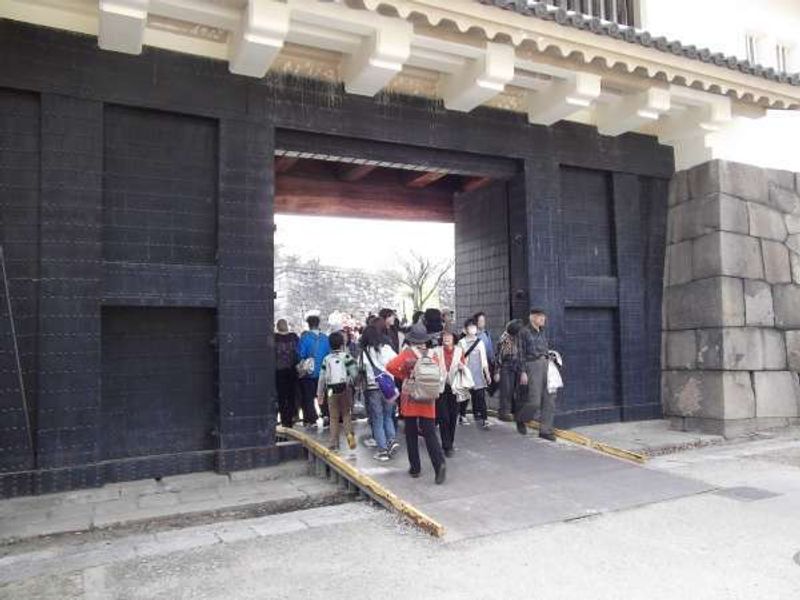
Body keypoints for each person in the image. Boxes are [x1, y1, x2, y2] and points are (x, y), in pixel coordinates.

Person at [386, 323, 447, 484]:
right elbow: (440, 373)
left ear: (411, 340)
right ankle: (439, 463)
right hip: (428, 398)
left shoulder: (407, 353)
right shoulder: (432, 354)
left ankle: (415, 468)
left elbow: (390, 366)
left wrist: (405, 376)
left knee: (411, 433)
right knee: (430, 434)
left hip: (411, 398)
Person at [359, 325, 399, 461]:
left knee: (378, 419)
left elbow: (361, 370)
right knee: (388, 416)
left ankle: (382, 450)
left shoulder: (364, 352)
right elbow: (397, 363)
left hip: (373, 389)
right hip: (389, 387)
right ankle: (391, 441)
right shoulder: (387, 349)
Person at [517, 308, 556, 440]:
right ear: (532, 317)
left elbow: (545, 348)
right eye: (540, 317)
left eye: (543, 317)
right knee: (534, 401)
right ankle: (521, 418)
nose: (543, 319)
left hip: (546, 364)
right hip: (532, 366)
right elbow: (521, 353)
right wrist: (523, 372)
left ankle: (545, 430)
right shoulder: (524, 332)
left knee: (550, 398)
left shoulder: (543, 331)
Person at [316, 331, 358, 451]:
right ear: (342, 344)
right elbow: (355, 374)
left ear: (330, 345)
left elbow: (322, 378)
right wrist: (353, 382)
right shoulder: (346, 357)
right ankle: (350, 438)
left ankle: (333, 443)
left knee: (333, 417)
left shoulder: (326, 359)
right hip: (345, 389)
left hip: (330, 390)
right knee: (345, 414)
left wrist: (320, 394)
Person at [297, 315, 331, 429]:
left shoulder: (305, 338)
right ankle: (326, 415)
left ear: (308, 324)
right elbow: (329, 354)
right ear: (318, 324)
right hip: (323, 372)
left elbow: (300, 355)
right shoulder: (325, 338)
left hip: (309, 373)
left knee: (308, 397)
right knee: (322, 395)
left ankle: (312, 419)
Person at [458, 318, 492, 429]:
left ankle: (485, 419)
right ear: (465, 329)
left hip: (478, 374)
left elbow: (484, 360)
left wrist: (487, 374)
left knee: (481, 397)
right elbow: (458, 359)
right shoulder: (461, 343)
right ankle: (462, 415)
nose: (473, 329)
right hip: (466, 374)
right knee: (465, 396)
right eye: (470, 327)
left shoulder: (479, 342)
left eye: (474, 327)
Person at [435, 330, 462, 457]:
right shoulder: (436, 351)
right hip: (440, 387)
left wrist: (462, 367)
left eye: (449, 336)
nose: (446, 338)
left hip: (455, 387)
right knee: (443, 417)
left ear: (454, 338)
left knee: (453, 416)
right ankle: (447, 445)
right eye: (444, 336)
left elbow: (464, 366)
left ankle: (450, 442)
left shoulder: (459, 351)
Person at [494, 319, 525, 422]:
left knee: (514, 390)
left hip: (515, 365)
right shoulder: (504, 339)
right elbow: (499, 357)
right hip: (506, 366)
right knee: (506, 390)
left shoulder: (516, 337)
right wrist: (497, 372)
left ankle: (514, 411)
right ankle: (504, 413)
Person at [275, 319, 299, 428]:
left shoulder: (274, 338)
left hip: (279, 371)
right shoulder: (294, 337)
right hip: (292, 370)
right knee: (292, 395)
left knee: (281, 396)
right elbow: (298, 352)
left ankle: (284, 419)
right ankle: (291, 417)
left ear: (277, 327)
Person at [473, 312, 495, 395]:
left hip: (487, 364)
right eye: (481, 321)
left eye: (484, 321)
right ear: (476, 322)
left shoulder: (486, 333)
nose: (483, 323)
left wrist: (493, 361)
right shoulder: (472, 335)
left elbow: (490, 349)